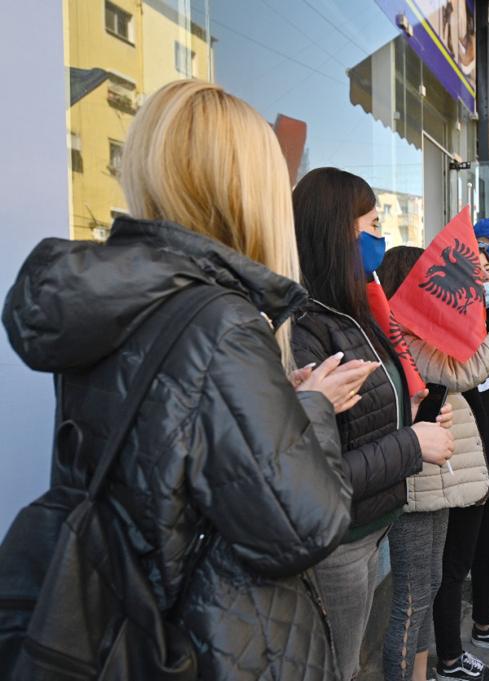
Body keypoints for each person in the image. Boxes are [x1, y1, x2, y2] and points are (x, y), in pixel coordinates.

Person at [2, 80, 367, 681]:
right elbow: (304, 525)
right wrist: (310, 407)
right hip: (210, 640)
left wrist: (274, 401)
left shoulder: (122, 298)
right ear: (247, 190)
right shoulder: (221, 319)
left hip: (123, 619)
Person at [291, 168, 455, 681]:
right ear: (339, 231)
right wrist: (413, 442)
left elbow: (369, 414)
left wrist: (419, 418)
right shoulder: (306, 327)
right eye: (373, 221)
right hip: (337, 541)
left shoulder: (355, 313)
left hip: (368, 528)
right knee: (334, 667)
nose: (382, 235)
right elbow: (320, 470)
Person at [379, 246, 489, 681]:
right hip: (418, 481)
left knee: (430, 585)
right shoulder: (404, 334)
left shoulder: (416, 333)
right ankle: (433, 666)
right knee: (413, 600)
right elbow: (465, 369)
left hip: (439, 480)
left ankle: (423, 671)